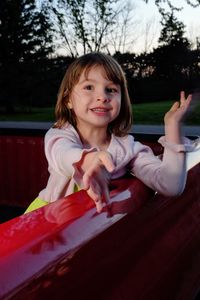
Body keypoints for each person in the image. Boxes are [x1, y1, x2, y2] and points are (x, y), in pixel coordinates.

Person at [25, 52, 194, 214]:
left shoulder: (127, 148)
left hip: (88, 227)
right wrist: (91, 160)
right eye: (89, 87)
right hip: (45, 217)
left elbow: (170, 185)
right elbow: (63, 155)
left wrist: (173, 128)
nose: (102, 96)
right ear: (68, 100)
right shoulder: (60, 133)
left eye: (111, 89)